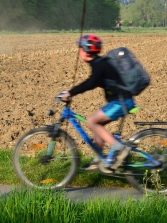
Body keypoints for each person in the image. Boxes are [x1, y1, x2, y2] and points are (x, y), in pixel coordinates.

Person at [59, 34, 138, 172]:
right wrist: (72, 91)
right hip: (119, 101)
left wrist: (70, 92)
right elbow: (92, 82)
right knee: (97, 123)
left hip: (122, 102)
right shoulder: (99, 62)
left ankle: (121, 149)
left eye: (80, 49)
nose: (79, 52)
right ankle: (99, 159)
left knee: (92, 122)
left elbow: (90, 83)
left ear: (86, 50)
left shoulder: (99, 65)